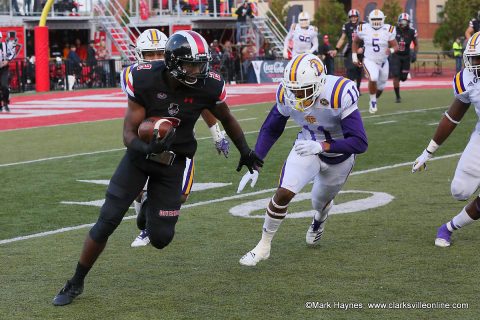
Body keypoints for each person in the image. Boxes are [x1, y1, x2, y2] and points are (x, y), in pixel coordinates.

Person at [51, 30, 263, 306]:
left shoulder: (208, 85)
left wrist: (245, 151)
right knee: (107, 221)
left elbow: (227, 117)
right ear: (174, 62)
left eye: (201, 64)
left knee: (161, 238)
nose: (198, 70)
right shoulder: (144, 78)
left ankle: (150, 203)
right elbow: (128, 134)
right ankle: (75, 281)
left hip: (173, 164)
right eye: (191, 64)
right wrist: (146, 148)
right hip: (140, 158)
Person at [237, 53, 367, 266]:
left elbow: (360, 142)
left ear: (319, 84)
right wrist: (256, 161)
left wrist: (324, 146)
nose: (296, 95)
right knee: (284, 192)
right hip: (306, 145)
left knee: (319, 202)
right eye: (293, 89)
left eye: (302, 90)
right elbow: (272, 127)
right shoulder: (287, 93)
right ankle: (263, 246)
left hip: (339, 156)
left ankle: (320, 218)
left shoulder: (339, 93)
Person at [126, 29, 230, 247]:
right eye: (149, 54)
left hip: (178, 143)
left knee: (180, 195)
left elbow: (205, 105)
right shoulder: (135, 76)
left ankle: (151, 217)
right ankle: (146, 225)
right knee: (136, 190)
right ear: (138, 55)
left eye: (158, 54)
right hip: (148, 141)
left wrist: (216, 133)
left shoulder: (184, 72)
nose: (154, 59)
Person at [412, 31, 480, 247]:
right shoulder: (467, 79)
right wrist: (427, 152)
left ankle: (449, 227)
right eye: (472, 57)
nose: (473, 63)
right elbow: (452, 116)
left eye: (478, 58)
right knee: (459, 190)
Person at [352, 9, 398, 114]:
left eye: (378, 19)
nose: (376, 21)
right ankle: (373, 102)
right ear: (369, 19)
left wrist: (390, 50)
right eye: (374, 19)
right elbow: (355, 42)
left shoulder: (388, 29)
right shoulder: (364, 28)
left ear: (383, 19)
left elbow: (396, 45)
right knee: (373, 77)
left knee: (381, 86)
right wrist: (354, 57)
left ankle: (373, 98)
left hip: (383, 62)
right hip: (369, 60)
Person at [331, 9, 363, 92]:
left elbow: (368, 38)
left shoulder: (363, 25)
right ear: (349, 17)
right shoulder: (347, 26)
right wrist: (336, 49)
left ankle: (358, 88)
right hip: (351, 50)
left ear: (357, 17)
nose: (353, 18)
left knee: (359, 70)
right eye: (351, 17)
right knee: (350, 69)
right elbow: (342, 38)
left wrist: (363, 48)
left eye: (355, 17)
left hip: (361, 49)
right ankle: (351, 88)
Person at [390, 13, 418, 103]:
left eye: (405, 22)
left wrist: (414, 54)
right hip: (396, 56)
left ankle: (402, 78)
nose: (403, 24)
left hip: (406, 56)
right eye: (402, 22)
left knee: (403, 78)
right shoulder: (393, 30)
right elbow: (387, 40)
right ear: (399, 22)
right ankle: (398, 97)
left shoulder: (412, 31)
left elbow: (416, 44)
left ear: (408, 23)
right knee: (396, 76)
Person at [0, 31, 15, 112]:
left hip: (4, 68)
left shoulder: (4, 45)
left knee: (4, 86)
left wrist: (7, 60)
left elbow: (12, 54)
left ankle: (5, 102)